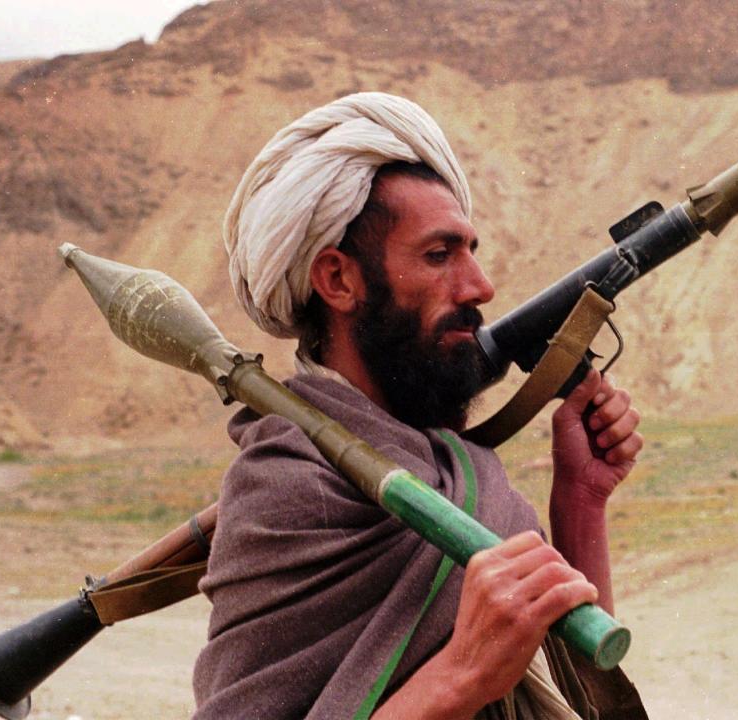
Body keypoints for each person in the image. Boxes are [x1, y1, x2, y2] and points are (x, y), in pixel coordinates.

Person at [193, 93, 647, 719]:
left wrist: (581, 498)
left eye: (471, 250)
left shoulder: (457, 466)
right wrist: (462, 674)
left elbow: (569, 687)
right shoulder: (284, 492)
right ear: (338, 280)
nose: (479, 286)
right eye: (439, 255)